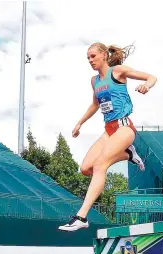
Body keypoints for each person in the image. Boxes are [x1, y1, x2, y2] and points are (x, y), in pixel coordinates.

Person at [59, 42, 157, 232]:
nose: (90, 61)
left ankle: (81, 217)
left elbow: (151, 76)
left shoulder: (118, 71)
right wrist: (80, 123)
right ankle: (128, 155)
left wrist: (147, 85)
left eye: (93, 56)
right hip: (108, 130)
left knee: (100, 165)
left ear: (104, 55)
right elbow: (95, 105)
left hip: (124, 128)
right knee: (86, 168)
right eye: (88, 58)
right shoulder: (94, 81)